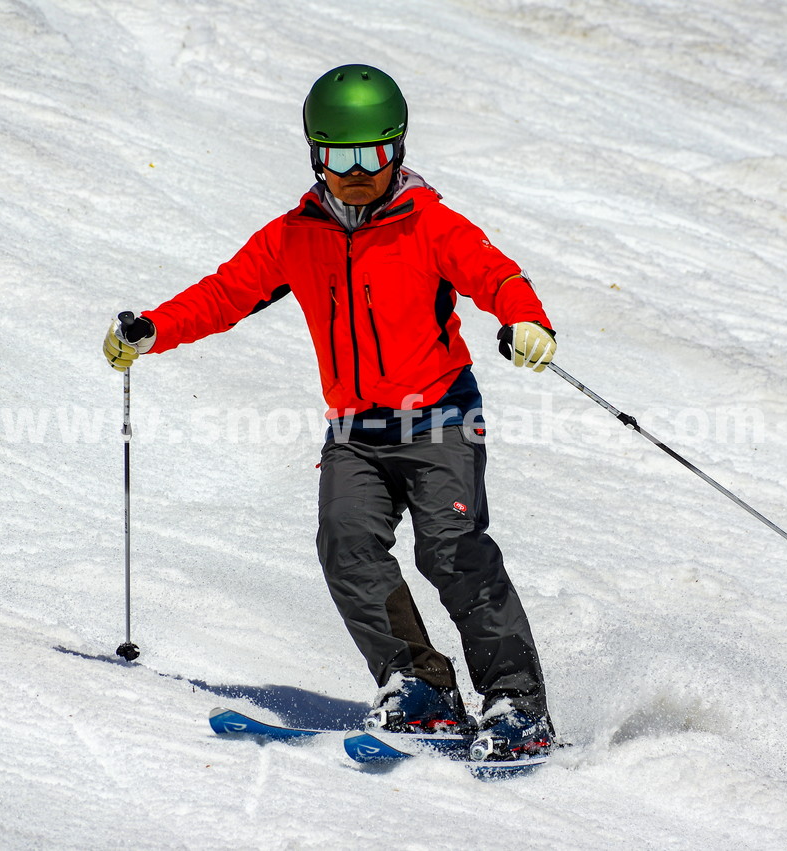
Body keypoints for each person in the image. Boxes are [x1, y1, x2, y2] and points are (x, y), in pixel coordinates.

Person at [102, 64, 558, 761]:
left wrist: (527, 320)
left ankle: (518, 705)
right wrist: (154, 329)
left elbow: (495, 273)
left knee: (452, 551)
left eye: (372, 155)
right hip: (356, 430)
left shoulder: (429, 223)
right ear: (316, 154)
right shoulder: (296, 234)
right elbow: (228, 292)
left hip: (439, 417)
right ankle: (421, 687)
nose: (356, 172)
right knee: (345, 543)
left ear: (396, 150)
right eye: (338, 157)